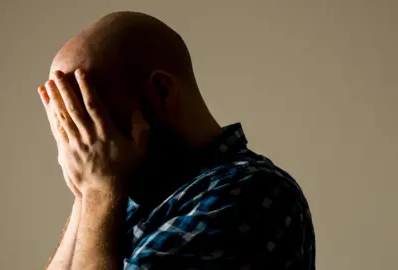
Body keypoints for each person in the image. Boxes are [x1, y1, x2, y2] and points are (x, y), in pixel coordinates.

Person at [37, 11, 315, 270]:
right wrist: (86, 193)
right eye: (68, 124)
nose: (79, 142)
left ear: (161, 91)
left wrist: (97, 193)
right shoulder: (119, 195)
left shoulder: (252, 193)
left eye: (88, 115)